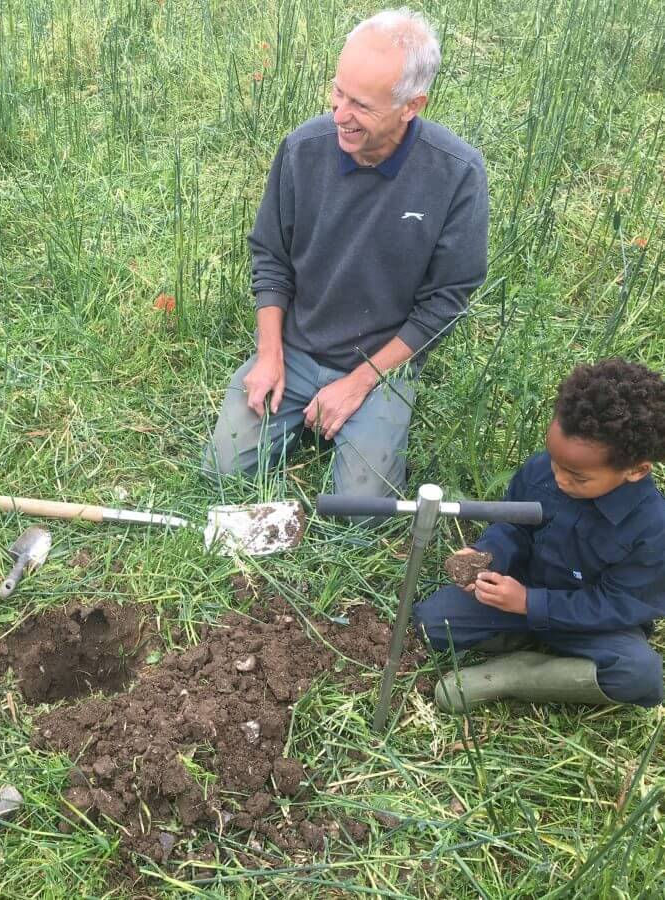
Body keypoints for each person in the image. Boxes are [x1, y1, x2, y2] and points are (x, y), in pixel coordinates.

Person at [204, 9, 488, 501]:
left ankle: (353, 420)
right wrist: (270, 354)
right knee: (221, 476)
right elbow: (270, 255)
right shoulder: (302, 149)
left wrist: (360, 382)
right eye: (338, 92)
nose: (339, 115)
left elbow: (445, 302)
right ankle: (302, 408)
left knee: (360, 515)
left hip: (382, 362)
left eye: (361, 105)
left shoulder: (457, 174)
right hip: (294, 348)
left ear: (411, 105)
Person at [414, 359, 665, 711]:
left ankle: (515, 674)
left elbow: (617, 604)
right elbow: (514, 526)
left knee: (638, 674)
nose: (560, 479)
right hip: (518, 592)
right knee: (432, 621)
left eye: (578, 477)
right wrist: (486, 555)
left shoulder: (654, 528)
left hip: (592, 622)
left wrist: (531, 603)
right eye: (554, 462)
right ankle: (527, 637)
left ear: (635, 471)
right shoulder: (543, 469)